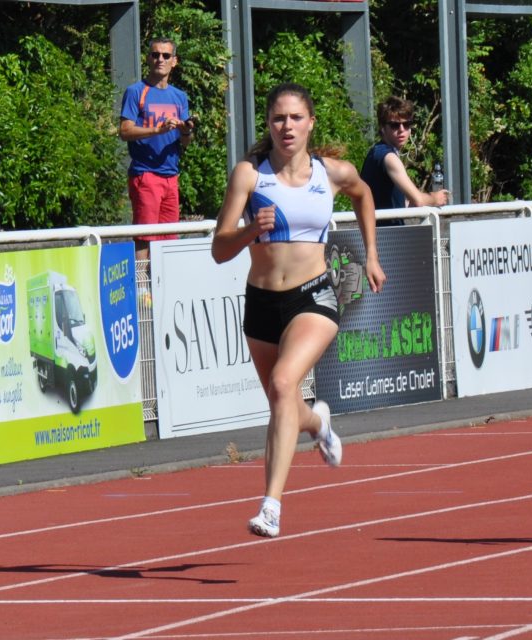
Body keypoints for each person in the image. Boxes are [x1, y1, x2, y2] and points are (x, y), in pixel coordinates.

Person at [211, 83, 385, 538]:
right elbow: (218, 248)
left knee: (285, 382)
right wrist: (251, 233)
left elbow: (364, 195)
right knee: (280, 399)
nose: (286, 127)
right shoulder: (250, 175)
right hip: (262, 300)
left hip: (313, 295)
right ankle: (318, 421)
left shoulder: (332, 173)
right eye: (278, 119)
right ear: (268, 126)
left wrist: (371, 254)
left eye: (294, 118)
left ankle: (271, 505)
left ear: (310, 123)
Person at [119, 37, 195, 267]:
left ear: (174, 61)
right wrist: (157, 129)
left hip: (171, 176)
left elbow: (187, 143)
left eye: (165, 55)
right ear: (148, 58)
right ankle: (143, 294)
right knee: (145, 237)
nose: (159, 59)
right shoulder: (136, 91)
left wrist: (186, 131)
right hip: (146, 174)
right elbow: (124, 130)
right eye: (155, 55)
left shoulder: (180, 96)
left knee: (168, 240)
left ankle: (164, 293)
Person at [359, 96, 448, 226]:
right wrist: (434, 198)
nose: (402, 130)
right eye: (395, 125)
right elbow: (418, 200)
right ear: (383, 128)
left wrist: (409, 203)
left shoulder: (377, 152)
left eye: (406, 124)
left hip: (382, 233)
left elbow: (389, 203)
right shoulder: (389, 157)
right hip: (387, 236)